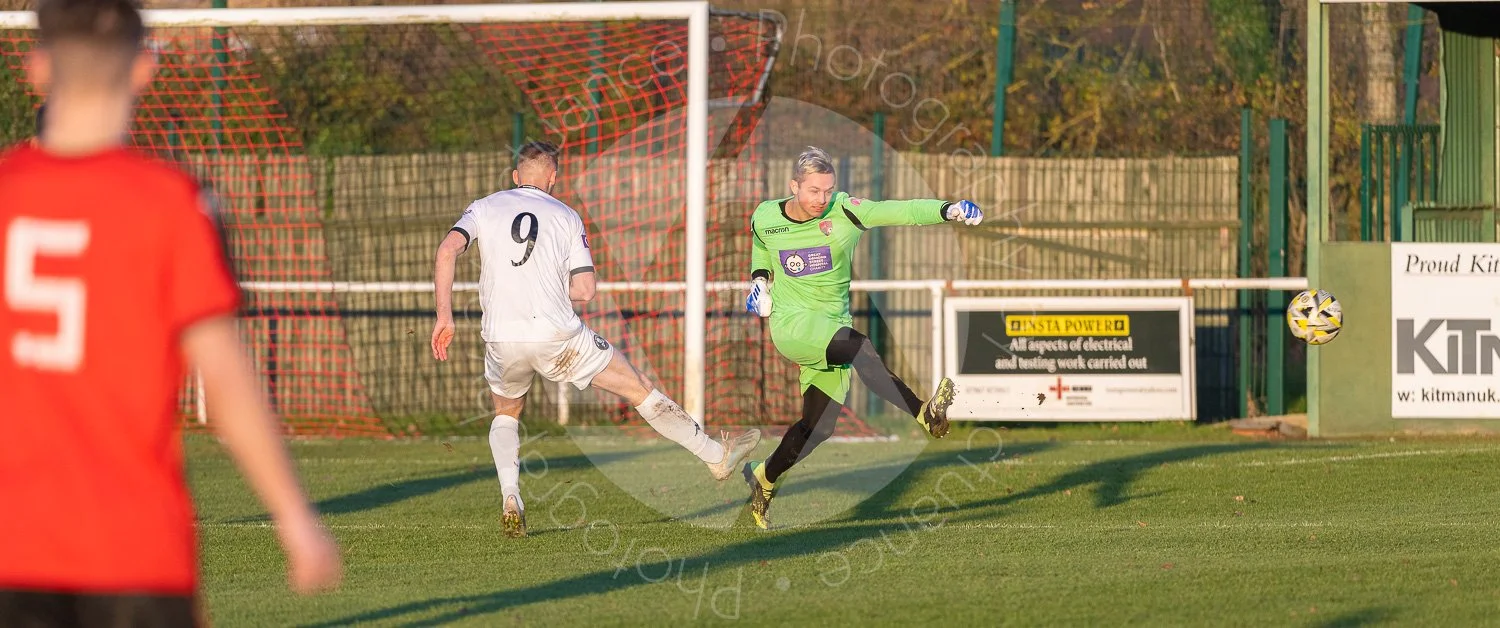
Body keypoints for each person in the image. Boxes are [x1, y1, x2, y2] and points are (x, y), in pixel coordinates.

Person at [0, 0, 342, 625]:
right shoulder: (171, 202)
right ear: (144, 70)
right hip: (133, 547)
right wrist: (295, 518)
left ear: (36, 69)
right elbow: (225, 377)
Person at [430, 140, 762, 538]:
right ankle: (714, 456)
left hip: (501, 337)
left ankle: (511, 495)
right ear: (554, 178)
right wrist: (549, 290)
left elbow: (448, 249)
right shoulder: (567, 216)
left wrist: (444, 316)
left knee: (506, 412)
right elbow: (585, 290)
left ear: (516, 177)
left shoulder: (483, 206)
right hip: (558, 336)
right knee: (639, 388)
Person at [740, 146, 985, 529]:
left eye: (827, 190)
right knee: (858, 346)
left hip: (831, 324)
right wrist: (759, 281)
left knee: (817, 428)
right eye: (813, 191)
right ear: (794, 186)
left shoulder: (846, 210)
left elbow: (899, 211)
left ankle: (764, 477)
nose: (822, 199)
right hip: (791, 326)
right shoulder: (766, 214)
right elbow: (760, 243)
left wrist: (947, 209)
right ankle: (923, 413)